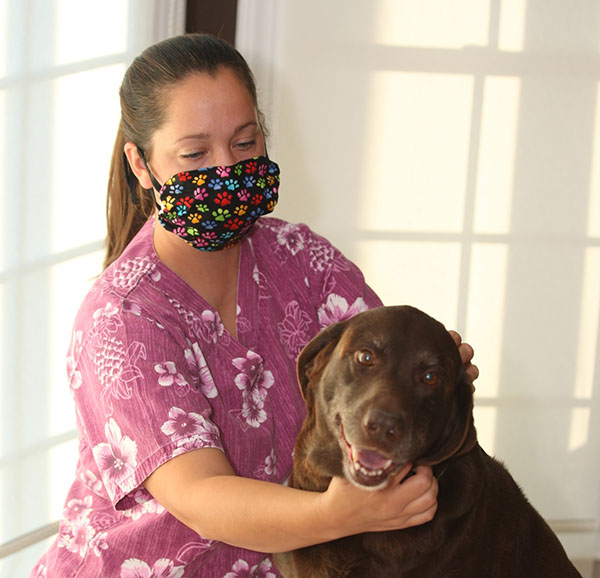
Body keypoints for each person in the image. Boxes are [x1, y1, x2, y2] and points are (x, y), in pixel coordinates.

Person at [31, 33, 478, 577]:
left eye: (245, 143)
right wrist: (339, 513)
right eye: (195, 154)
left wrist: (428, 373)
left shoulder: (304, 260)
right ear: (142, 166)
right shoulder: (122, 320)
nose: (226, 168)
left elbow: (379, 375)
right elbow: (203, 496)